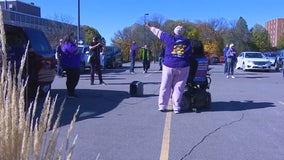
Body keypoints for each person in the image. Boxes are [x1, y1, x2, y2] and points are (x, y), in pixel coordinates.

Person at [145, 23, 192, 114]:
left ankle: (162, 105)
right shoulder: (187, 41)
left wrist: (150, 27)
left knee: (165, 86)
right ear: (183, 33)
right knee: (179, 88)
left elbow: (159, 32)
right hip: (183, 66)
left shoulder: (170, 38)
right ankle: (176, 107)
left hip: (169, 65)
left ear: (174, 32)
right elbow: (190, 53)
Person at [60, 33, 80, 98]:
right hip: (71, 66)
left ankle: (71, 92)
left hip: (74, 65)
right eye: (72, 37)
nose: (74, 38)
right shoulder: (68, 45)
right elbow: (75, 51)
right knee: (72, 79)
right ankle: (70, 93)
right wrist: (76, 45)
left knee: (73, 79)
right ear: (69, 37)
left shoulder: (70, 44)